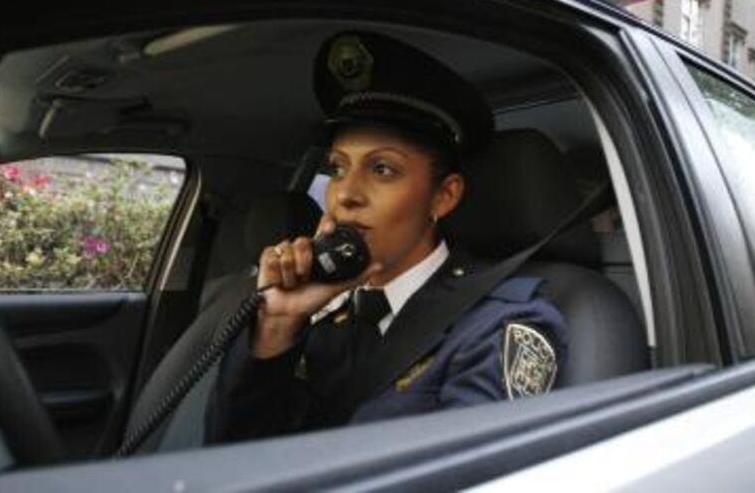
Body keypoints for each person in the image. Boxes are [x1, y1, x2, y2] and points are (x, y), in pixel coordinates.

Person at [205, 31, 567, 443]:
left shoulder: (500, 325)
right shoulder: (317, 314)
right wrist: (278, 325)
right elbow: (228, 457)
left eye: (382, 170)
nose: (344, 194)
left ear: (444, 197)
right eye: (338, 168)